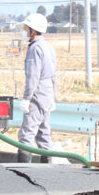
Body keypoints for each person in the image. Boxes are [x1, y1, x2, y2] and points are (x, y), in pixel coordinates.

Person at [17, 13, 57, 163]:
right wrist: (53, 96)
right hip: (47, 94)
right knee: (43, 134)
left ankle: (22, 173)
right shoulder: (48, 47)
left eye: (26, 28)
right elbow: (54, 74)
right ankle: (46, 173)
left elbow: (33, 76)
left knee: (26, 134)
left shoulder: (35, 49)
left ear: (33, 31)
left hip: (37, 94)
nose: (24, 31)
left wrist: (27, 98)